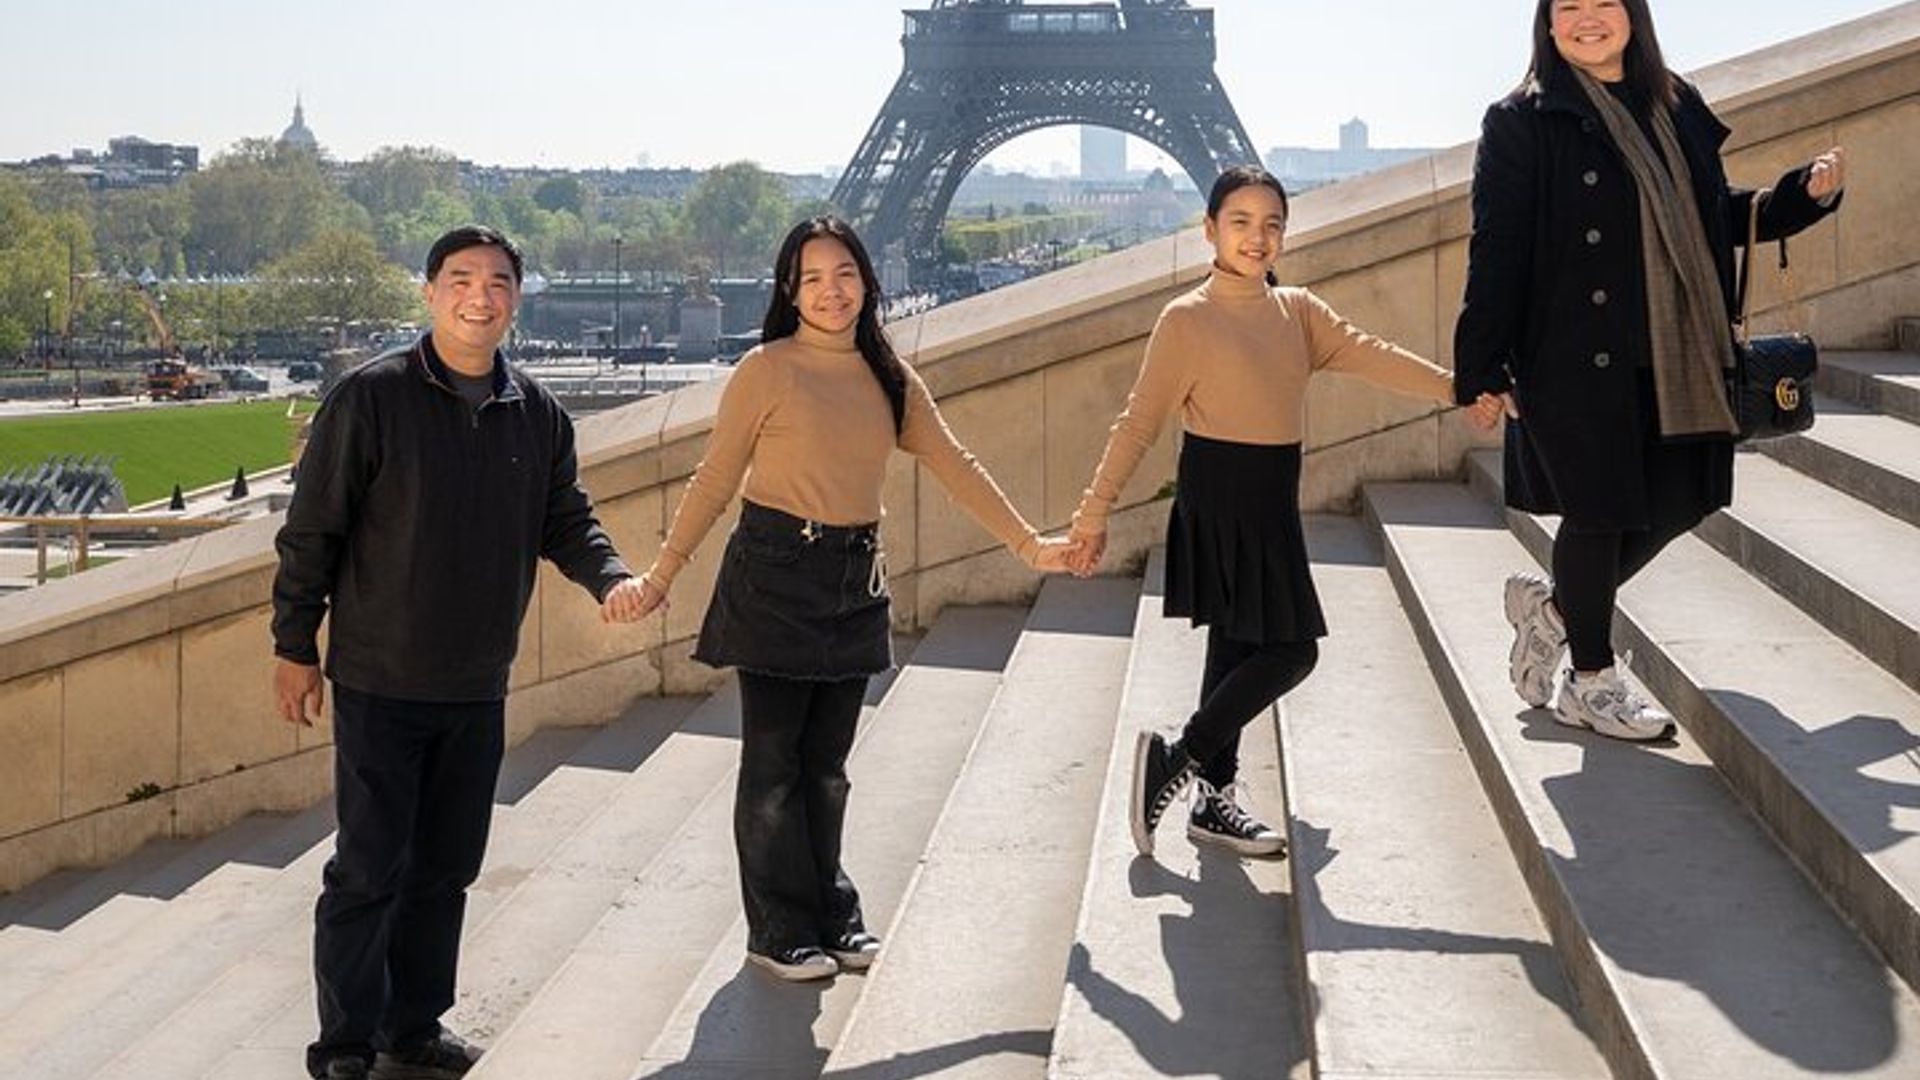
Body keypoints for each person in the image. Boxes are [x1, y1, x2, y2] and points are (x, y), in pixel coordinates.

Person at [604, 216, 1074, 981]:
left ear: (868, 281)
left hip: (854, 576)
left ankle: (831, 910)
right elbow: (716, 477)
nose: (831, 291)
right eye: (813, 278)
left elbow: (954, 462)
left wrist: (1029, 544)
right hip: (775, 570)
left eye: (845, 274)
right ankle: (776, 927)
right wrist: (662, 573)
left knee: (828, 766)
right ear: (790, 291)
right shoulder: (767, 368)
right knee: (773, 762)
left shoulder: (888, 373)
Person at [272, 225, 651, 1080]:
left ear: (518, 297)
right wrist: (293, 645)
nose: (480, 296)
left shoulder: (540, 413)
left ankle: (412, 1028)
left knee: (445, 871)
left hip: (477, 682)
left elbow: (567, 522)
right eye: (461, 279)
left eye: (498, 282)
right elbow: (311, 532)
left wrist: (611, 578)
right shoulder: (368, 399)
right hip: (378, 677)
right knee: (368, 870)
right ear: (430, 292)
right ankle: (342, 1045)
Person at [1067, 165, 1502, 859]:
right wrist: (1093, 515)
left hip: (1271, 495)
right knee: (1292, 650)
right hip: (1219, 492)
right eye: (1240, 222)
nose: (1257, 237)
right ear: (1208, 230)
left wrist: (1460, 390)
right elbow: (1137, 424)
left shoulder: (1298, 312)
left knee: (1238, 646)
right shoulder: (1186, 319)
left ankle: (1213, 799)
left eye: (1272, 224)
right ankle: (1178, 759)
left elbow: (1374, 357)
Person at [1454, 0, 1845, 740]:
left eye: (1605, 3)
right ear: (1547, 22)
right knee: (1599, 513)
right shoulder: (1522, 120)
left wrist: (1798, 199)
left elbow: (1706, 214)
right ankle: (1591, 682)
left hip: (1679, 351)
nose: (1587, 19)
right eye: (1568, 6)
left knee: (1684, 498)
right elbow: (1496, 248)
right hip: (1570, 356)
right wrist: (1481, 364)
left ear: (1634, 15)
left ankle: (1555, 614)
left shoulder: (1674, 100)